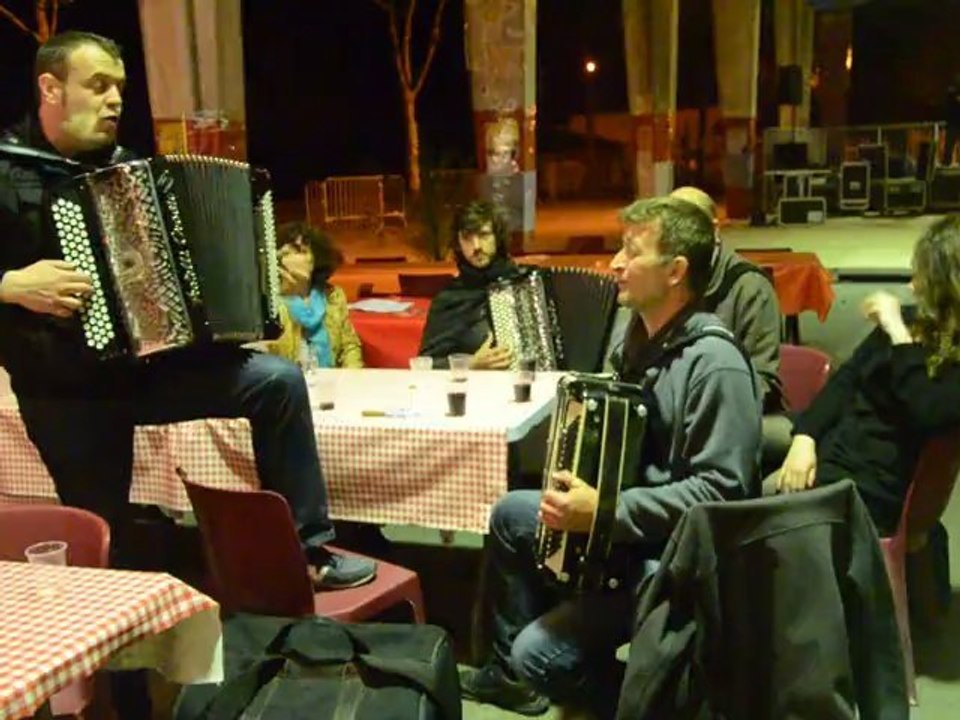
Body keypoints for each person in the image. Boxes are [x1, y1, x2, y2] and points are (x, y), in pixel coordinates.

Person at [0, 32, 375, 589]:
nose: (115, 100)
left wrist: (257, 266)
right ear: (50, 89)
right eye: (98, 85)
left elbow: (185, 267)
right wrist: (8, 284)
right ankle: (117, 648)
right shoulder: (7, 171)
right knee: (105, 536)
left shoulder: (130, 172)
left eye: (120, 88)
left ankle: (307, 552)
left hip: (148, 371)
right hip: (65, 392)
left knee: (276, 381)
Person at [459, 197, 762, 718]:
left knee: (542, 654)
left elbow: (722, 493)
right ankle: (517, 673)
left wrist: (603, 512)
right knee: (511, 513)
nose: (614, 264)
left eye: (631, 251)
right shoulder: (632, 343)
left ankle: (668, 702)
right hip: (625, 531)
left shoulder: (715, 365)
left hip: (671, 559)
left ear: (675, 272)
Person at [772, 215, 960, 536]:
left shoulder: (918, 340)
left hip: (862, 487)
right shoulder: (914, 323)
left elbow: (927, 409)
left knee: (729, 515)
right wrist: (805, 438)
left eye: (924, 275)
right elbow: (845, 380)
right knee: (746, 435)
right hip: (834, 451)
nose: (912, 286)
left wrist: (897, 332)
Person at [418, 200, 518, 370]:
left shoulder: (523, 283)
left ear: (498, 238)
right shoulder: (450, 298)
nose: (476, 246)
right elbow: (425, 365)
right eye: (467, 238)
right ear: (458, 243)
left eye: (484, 235)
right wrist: (471, 364)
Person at [266, 221, 363, 369]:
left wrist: (351, 378)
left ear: (315, 260)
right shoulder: (269, 305)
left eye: (299, 250)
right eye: (284, 251)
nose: (286, 255)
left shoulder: (333, 296)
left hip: (333, 384)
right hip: (291, 386)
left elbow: (349, 346)